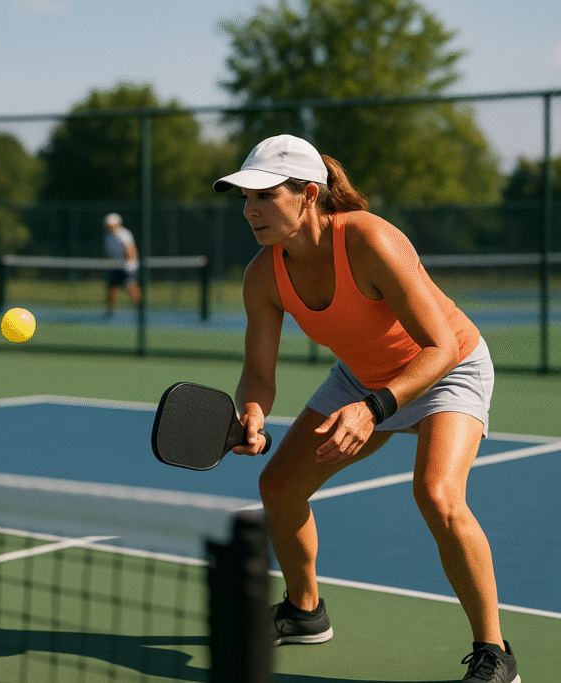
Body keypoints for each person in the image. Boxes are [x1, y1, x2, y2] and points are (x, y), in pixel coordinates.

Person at [214, 134, 519, 683]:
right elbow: (259, 375)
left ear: (308, 194)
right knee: (278, 487)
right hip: (362, 376)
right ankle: (305, 613)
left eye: (263, 195)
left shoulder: (371, 241)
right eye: (244, 197)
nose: (249, 209)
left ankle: (494, 652)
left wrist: (372, 409)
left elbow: (439, 347)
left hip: (448, 370)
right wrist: (253, 412)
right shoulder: (263, 275)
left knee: (438, 494)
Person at [102, 212, 142, 316]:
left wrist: (126, 264)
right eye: (107, 225)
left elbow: (132, 252)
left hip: (128, 266)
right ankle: (111, 310)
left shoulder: (124, 234)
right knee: (112, 286)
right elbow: (109, 253)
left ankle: (140, 309)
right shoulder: (107, 237)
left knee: (131, 286)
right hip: (116, 266)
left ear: (117, 224)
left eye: (110, 225)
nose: (108, 227)